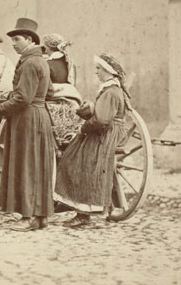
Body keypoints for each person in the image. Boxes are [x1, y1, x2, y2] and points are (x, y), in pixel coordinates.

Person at [0, 18, 55, 231]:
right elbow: (49, 92)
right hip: (39, 116)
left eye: (17, 39)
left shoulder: (30, 62)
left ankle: (27, 217)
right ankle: (40, 216)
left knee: (26, 166)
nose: (13, 44)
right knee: (37, 166)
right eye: (12, 40)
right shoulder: (41, 61)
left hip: (27, 119)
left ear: (29, 40)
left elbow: (23, 98)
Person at [53, 53, 129, 227]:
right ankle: (72, 202)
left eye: (99, 68)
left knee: (80, 161)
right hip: (106, 131)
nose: (96, 72)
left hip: (106, 134)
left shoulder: (111, 91)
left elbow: (102, 120)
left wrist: (83, 128)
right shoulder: (111, 90)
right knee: (72, 154)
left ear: (108, 71)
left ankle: (83, 214)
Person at [42, 33, 83, 149]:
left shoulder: (47, 64)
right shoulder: (70, 64)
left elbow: (46, 88)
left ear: (48, 47)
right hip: (71, 101)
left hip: (52, 101)